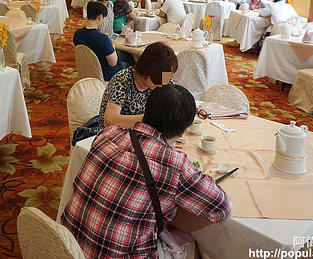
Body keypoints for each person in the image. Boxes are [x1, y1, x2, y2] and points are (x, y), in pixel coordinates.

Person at [61, 84, 232, 258]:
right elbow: (222, 207)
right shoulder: (175, 165)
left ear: (145, 112)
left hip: (67, 245)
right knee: (192, 244)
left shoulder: (108, 134)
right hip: (117, 255)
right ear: (182, 132)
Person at [98, 41, 177, 130]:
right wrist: (150, 118)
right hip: (114, 135)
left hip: (141, 132)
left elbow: (178, 100)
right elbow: (110, 120)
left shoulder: (163, 81)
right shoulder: (122, 80)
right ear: (147, 68)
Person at [73, 1, 121, 81]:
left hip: (87, 71)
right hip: (104, 75)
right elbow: (113, 63)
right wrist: (113, 45)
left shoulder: (77, 34)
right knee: (127, 62)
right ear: (100, 17)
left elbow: (90, 42)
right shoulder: (103, 39)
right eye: (104, 18)